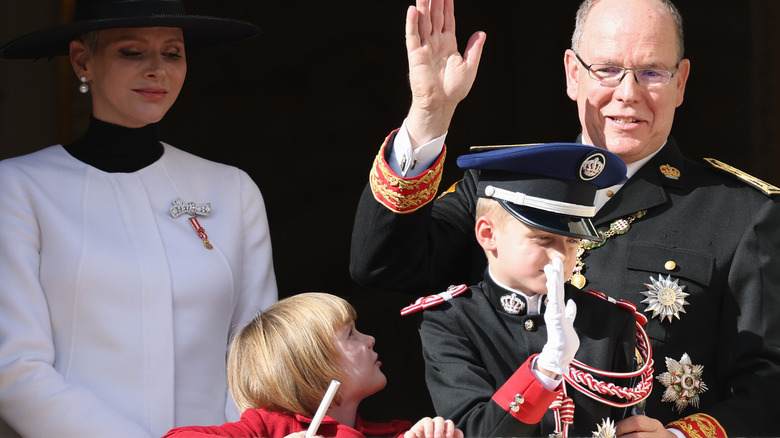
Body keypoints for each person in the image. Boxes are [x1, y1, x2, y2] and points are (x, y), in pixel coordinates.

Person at [350, 0, 780, 436]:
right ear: (573, 73)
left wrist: (678, 437)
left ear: (681, 82)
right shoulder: (501, 184)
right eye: (607, 70)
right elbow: (382, 263)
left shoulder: (742, 214)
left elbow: (770, 381)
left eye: (652, 72)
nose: (628, 93)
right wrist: (429, 114)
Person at [0, 1, 277, 437]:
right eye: (131, 52)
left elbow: (261, 355)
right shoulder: (18, 187)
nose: (157, 70)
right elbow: (13, 366)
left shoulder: (232, 190)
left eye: (172, 53)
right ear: (81, 60)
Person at [403, 143, 654, 437]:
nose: (561, 256)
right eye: (543, 238)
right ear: (488, 234)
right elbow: (472, 430)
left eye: (572, 242)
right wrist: (545, 372)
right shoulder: (450, 320)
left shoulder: (609, 320)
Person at [163, 292, 462, 438]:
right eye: (351, 335)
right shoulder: (267, 428)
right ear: (310, 364)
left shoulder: (392, 433)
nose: (369, 339)